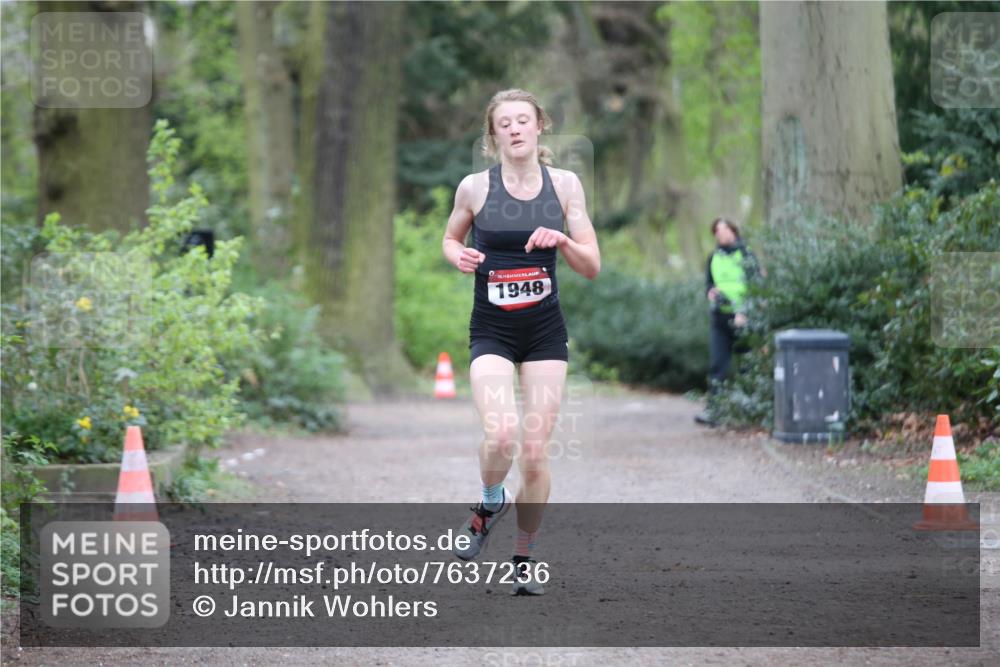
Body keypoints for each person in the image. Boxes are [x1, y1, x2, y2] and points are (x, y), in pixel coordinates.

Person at [441, 89, 600, 595]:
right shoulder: (474, 188)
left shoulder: (566, 185)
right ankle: (490, 501)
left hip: (544, 333)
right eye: (504, 123)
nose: (514, 128)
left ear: (539, 126)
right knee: (503, 434)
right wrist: (458, 256)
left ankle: (524, 559)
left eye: (522, 120)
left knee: (533, 452)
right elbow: (450, 238)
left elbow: (591, 265)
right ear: (493, 135)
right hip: (492, 330)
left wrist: (563, 240)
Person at [695, 217, 758, 426]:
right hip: (720, 318)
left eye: (725, 229)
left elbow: (756, 285)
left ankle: (750, 411)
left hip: (744, 318)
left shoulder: (746, 254)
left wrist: (745, 311)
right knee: (717, 365)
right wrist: (711, 293)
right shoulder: (713, 257)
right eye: (717, 231)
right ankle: (715, 410)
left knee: (747, 366)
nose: (721, 234)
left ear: (733, 231)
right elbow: (708, 284)